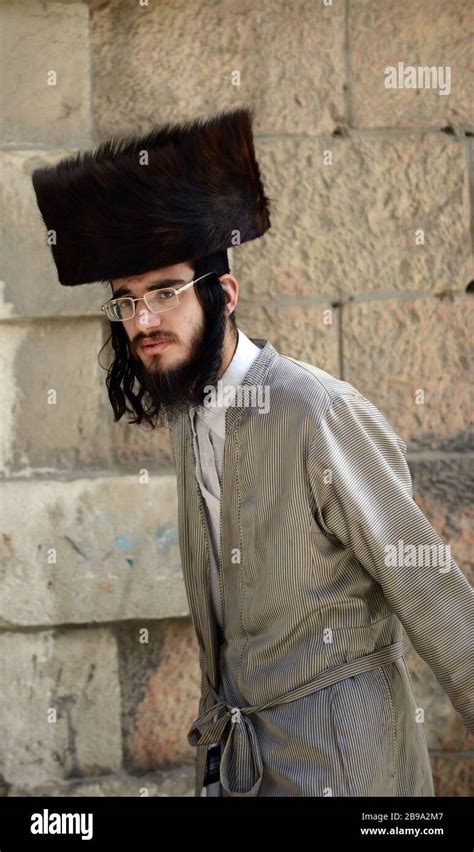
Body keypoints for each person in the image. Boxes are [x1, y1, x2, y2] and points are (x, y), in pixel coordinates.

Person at [31, 106, 474, 798]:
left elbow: (430, 589)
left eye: (166, 293)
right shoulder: (188, 414)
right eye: (127, 302)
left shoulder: (312, 411)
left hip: (347, 766)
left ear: (224, 294)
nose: (144, 321)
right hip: (246, 767)